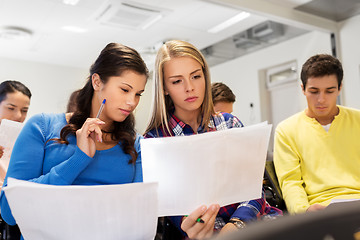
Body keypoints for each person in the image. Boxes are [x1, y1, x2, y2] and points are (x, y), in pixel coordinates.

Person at [0, 43, 149, 233]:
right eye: (125, 90)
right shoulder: (42, 127)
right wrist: (78, 160)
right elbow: (9, 211)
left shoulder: (137, 145)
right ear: (97, 82)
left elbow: (137, 221)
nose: (132, 102)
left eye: (138, 94)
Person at [144, 40, 282, 239]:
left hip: (253, 224)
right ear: (164, 87)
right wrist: (198, 226)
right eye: (177, 81)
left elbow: (255, 189)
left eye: (196, 76)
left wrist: (236, 226)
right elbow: (175, 208)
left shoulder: (230, 124)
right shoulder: (155, 141)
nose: (190, 87)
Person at [273, 54, 360, 214]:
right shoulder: (286, 130)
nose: (321, 99)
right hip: (319, 211)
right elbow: (291, 182)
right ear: (303, 89)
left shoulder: (358, 120)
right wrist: (303, 211)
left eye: (329, 91)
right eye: (314, 91)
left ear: (340, 88)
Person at [0, 80, 31, 240]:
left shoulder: (28, 139)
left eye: (24, 110)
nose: (19, 116)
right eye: (11, 108)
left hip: (16, 216)